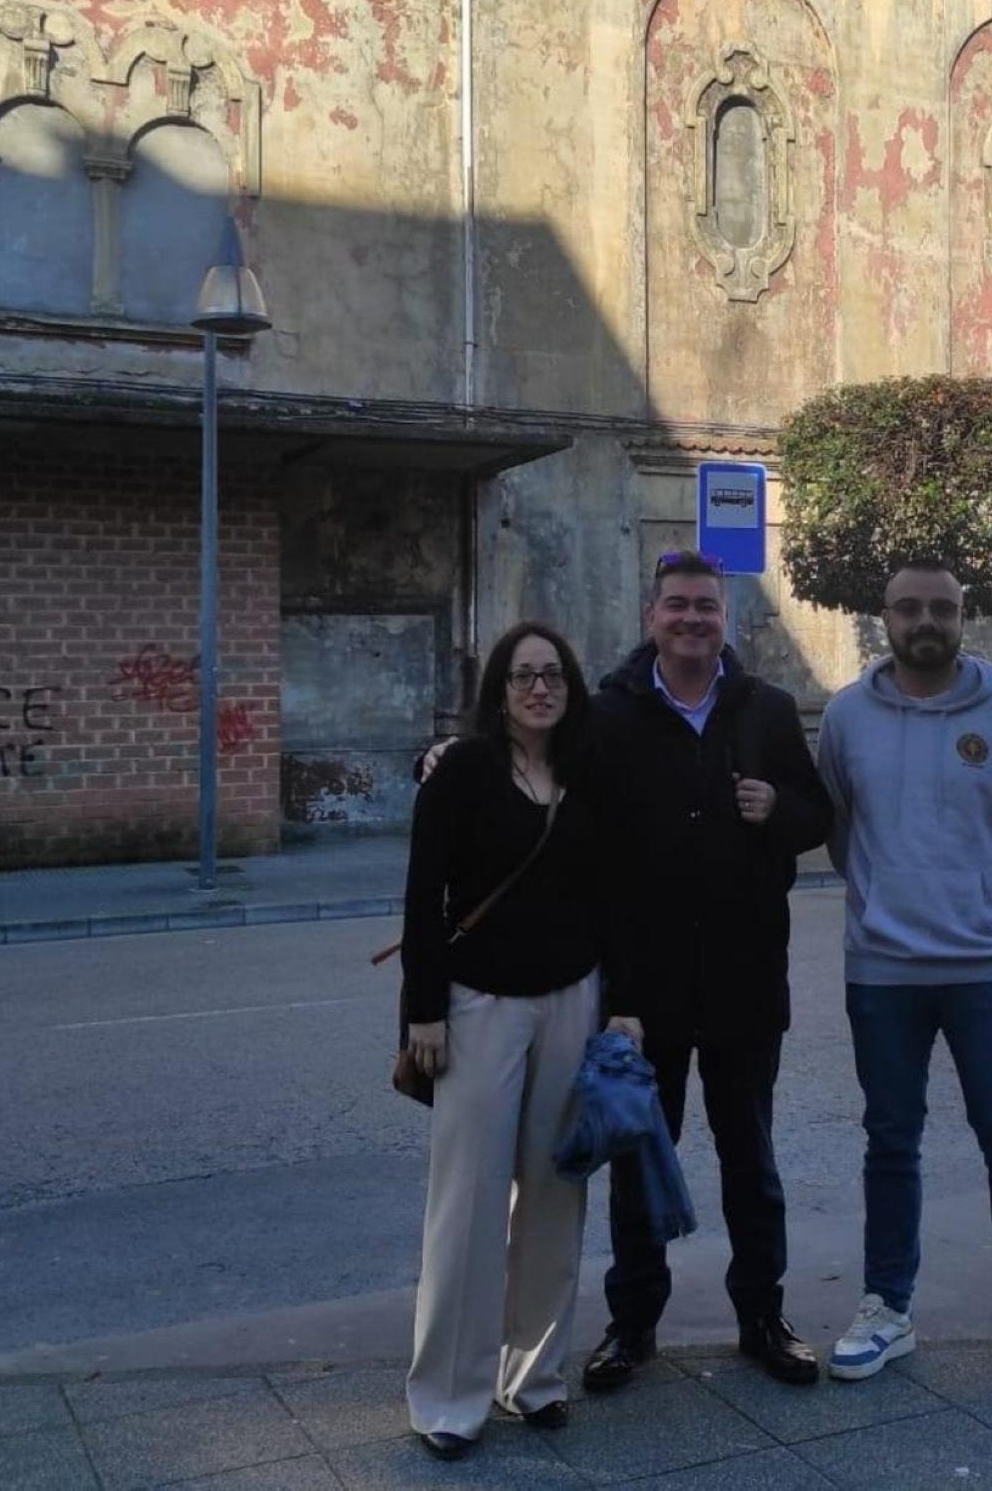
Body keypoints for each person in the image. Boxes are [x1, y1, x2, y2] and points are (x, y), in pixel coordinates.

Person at [815, 558, 992, 1393]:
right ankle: (887, 1307)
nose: (925, 621)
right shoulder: (847, 717)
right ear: (884, 617)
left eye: (942, 608)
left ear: (963, 617)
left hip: (986, 972)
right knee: (890, 1140)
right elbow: (840, 828)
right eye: (909, 607)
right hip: (882, 971)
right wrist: (887, 901)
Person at [580, 549, 834, 1391]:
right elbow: (570, 817)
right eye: (678, 605)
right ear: (651, 616)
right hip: (643, 991)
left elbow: (817, 814)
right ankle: (631, 1325)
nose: (692, 618)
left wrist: (778, 808)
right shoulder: (611, 714)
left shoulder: (765, 708)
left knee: (750, 1161)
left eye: (706, 607)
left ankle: (763, 1317)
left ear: (725, 620)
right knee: (640, 1163)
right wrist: (443, 756)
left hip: (744, 979)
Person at [402, 621, 632, 1462]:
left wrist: (622, 1004)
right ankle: (449, 1398)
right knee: (466, 1204)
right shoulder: (461, 771)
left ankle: (533, 1377)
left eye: (554, 675)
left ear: (571, 687)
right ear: (498, 690)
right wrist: (423, 1011)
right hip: (478, 1006)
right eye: (524, 675)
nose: (540, 688)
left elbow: (616, 897)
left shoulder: (589, 771)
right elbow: (424, 895)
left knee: (554, 1194)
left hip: (573, 999)